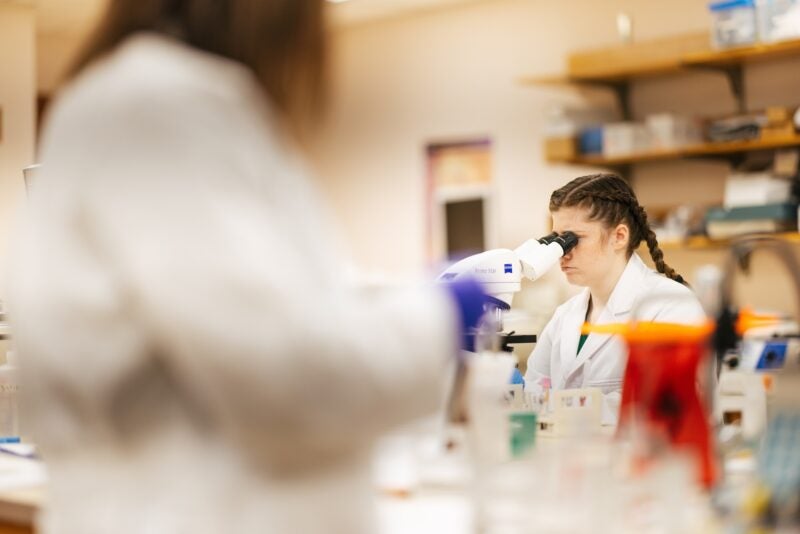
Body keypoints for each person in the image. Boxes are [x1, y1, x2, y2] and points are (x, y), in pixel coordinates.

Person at [7, 2, 484, 533]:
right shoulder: (156, 106)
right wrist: (437, 313)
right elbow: (289, 377)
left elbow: (259, 311)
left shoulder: (151, 102)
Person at [524, 173, 706, 425]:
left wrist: (563, 408)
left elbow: (667, 402)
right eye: (557, 239)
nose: (562, 253)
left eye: (572, 239)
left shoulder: (671, 305)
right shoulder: (565, 315)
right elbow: (532, 392)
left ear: (619, 237)